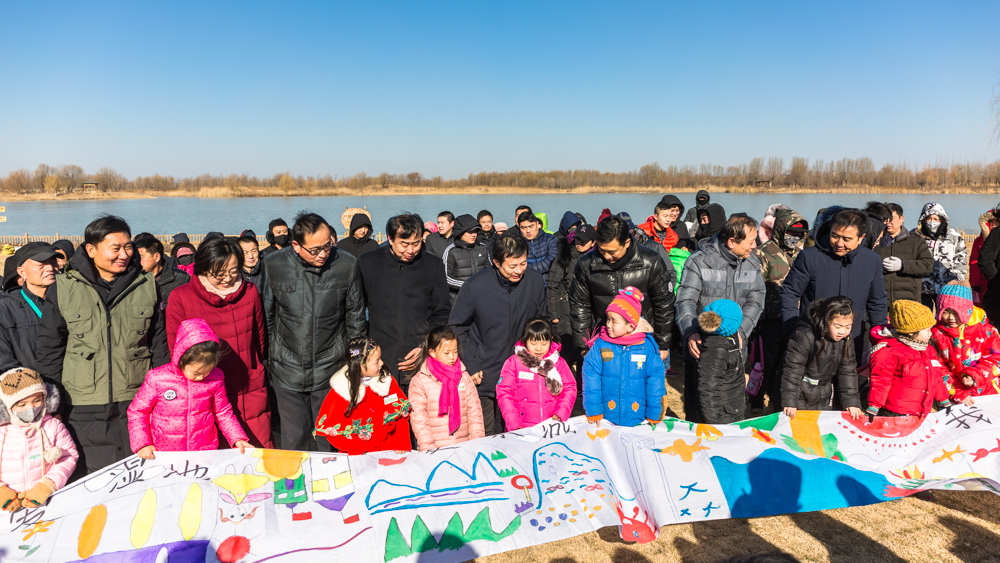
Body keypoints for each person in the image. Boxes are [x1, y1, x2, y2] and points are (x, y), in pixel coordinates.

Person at [36, 215, 169, 475]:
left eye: (128, 247)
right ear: (91, 249)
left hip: (137, 400)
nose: (124, 254)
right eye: (115, 248)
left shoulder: (146, 285)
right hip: (82, 403)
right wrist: (53, 404)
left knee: (140, 474)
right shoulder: (64, 287)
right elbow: (50, 349)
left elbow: (159, 345)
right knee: (90, 476)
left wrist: (164, 396)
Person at [264, 212, 366, 451]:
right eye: (315, 250)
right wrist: (271, 356)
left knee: (330, 437)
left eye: (327, 246)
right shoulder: (274, 264)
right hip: (287, 368)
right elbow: (267, 315)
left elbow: (355, 318)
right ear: (296, 245)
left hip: (331, 366)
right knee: (294, 438)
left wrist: (355, 361)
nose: (323, 254)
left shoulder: (346, 264)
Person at [167, 237, 272, 448]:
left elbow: (259, 338)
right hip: (204, 388)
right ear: (203, 268)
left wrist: (255, 368)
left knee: (256, 453)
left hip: (248, 387)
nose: (227, 279)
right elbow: (176, 351)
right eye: (219, 274)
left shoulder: (250, 292)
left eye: (233, 271)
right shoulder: (181, 297)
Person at [450, 234, 547, 435]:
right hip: (485, 372)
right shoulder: (475, 286)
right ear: (496, 262)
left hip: (523, 371)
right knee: (484, 434)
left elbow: (542, 322)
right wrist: (471, 364)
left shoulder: (535, 282)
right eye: (512, 266)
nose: (519, 270)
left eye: (523, 263)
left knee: (520, 432)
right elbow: (457, 326)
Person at [127, 319, 251, 459]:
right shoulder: (158, 378)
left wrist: (237, 438)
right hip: (164, 454)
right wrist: (143, 444)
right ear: (181, 359)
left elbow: (223, 412)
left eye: (207, 371)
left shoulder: (216, 377)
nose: (201, 377)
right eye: (196, 372)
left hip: (203, 453)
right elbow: (137, 412)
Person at [781, 208, 887, 356]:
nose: (839, 243)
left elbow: (877, 301)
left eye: (847, 239)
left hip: (853, 339)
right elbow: (790, 292)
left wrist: (880, 338)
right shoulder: (810, 257)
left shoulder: (871, 260)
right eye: (835, 236)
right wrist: (793, 330)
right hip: (813, 338)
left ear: (861, 237)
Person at [359, 214, 451, 381]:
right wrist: (363, 351)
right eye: (404, 244)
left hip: (419, 353)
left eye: (416, 244)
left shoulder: (433, 265)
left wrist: (426, 346)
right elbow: (356, 311)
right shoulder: (368, 263)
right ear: (390, 239)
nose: (410, 250)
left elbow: (442, 311)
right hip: (379, 355)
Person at [570, 216, 675, 361]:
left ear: (627, 242)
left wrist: (662, 344)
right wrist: (583, 346)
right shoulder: (585, 264)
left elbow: (663, 305)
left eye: (612, 251)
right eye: (602, 250)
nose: (607, 256)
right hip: (602, 339)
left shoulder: (651, 261)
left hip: (642, 340)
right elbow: (579, 306)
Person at [582, 287, 666, 427]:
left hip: (638, 415)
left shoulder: (646, 347)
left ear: (630, 326)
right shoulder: (601, 345)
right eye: (608, 319)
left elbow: (655, 380)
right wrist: (594, 409)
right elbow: (591, 376)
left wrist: (654, 412)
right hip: (608, 415)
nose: (608, 325)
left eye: (614, 321)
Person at [314, 336, 412, 454]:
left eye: (380, 359)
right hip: (357, 457)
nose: (382, 363)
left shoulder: (386, 382)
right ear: (360, 366)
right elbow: (333, 432)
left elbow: (401, 416)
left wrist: (401, 442)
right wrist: (356, 448)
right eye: (377, 361)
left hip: (388, 451)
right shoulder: (341, 391)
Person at [867, 300, 962, 419]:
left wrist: (943, 399)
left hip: (920, 411)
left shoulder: (928, 349)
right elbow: (881, 381)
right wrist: (874, 406)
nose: (931, 333)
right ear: (911, 332)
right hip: (895, 412)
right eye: (927, 330)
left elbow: (935, 376)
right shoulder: (890, 352)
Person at [0, 367, 78, 512]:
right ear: (5, 406)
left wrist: (48, 485)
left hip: (46, 503)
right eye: (22, 404)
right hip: (7, 509)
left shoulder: (53, 426)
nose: (31, 408)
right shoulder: (1, 432)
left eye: (37, 400)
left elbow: (68, 456)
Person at [752, 209, 808, 409]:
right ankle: (757, 401)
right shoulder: (762, 253)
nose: (795, 237)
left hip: (796, 318)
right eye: (791, 233)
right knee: (766, 364)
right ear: (780, 231)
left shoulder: (802, 254)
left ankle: (779, 401)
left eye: (799, 234)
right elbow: (755, 289)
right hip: (770, 320)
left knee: (789, 363)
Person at [779, 296, 863, 417]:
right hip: (799, 394)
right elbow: (793, 369)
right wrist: (790, 401)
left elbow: (847, 370)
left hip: (824, 395)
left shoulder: (845, 340)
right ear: (826, 321)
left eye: (848, 327)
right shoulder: (805, 336)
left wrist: (851, 402)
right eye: (837, 326)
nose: (842, 332)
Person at [408, 327, 485, 450]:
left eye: (455, 351)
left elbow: (475, 413)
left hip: (464, 448)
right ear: (432, 352)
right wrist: (430, 450)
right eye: (446, 353)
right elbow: (419, 420)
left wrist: (476, 445)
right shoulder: (420, 381)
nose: (452, 357)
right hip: (435, 451)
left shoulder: (464, 377)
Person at [497, 317, 577, 430]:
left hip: (551, 426)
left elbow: (569, 388)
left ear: (551, 340)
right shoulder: (514, 363)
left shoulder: (558, 362)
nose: (538, 349)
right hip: (522, 428)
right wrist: (514, 423)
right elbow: (504, 392)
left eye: (544, 343)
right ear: (525, 340)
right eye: (533, 343)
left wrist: (561, 412)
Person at [929, 284, 1000, 401]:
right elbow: (936, 366)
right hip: (955, 394)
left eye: (956, 313)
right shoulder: (936, 334)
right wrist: (958, 391)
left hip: (987, 391)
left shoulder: (987, 331)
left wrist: (976, 375)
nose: (951, 317)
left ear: (968, 311)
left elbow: (996, 359)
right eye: (946, 312)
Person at [0, 243, 58, 373]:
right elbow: (3, 361)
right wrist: (27, 382)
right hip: (30, 383)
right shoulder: (6, 308)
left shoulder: (70, 301)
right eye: (41, 264)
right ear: (22, 272)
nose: (50, 268)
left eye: (53, 262)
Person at [694, 299, 747, 424]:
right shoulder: (716, 351)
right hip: (723, 417)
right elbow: (709, 390)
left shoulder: (728, 342)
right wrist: (717, 425)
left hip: (732, 409)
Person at [874, 202, 934, 305]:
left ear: (901, 218)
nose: (888, 222)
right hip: (881, 300)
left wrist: (902, 265)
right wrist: (881, 266)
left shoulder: (916, 241)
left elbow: (927, 265)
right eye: (885, 219)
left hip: (909, 300)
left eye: (892, 218)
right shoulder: (875, 241)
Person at [548, 224, 594, 348]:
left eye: (584, 241)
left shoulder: (596, 259)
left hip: (588, 310)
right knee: (566, 347)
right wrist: (554, 313)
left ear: (593, 242)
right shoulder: (565, 255)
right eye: (578, 239)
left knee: (586, 346)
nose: (580, 243)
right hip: (565, 309)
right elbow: (552, 284)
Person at [916, 203, 968, 310]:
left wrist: (957, 279)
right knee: (922, 317)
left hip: (947, 286)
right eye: (929, 218)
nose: (932, 221)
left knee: (945, 316)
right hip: (921, 287)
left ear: (942, 219)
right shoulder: (914, 236)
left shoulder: (954, 236)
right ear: (923, 219)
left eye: (936, 219)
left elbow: (961, 257)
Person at [134, 234, 191, 307]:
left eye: (141, 257)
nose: (137, 261)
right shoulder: (134, 279)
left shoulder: (182, 278)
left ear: (156, 257)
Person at [443, 214, 489, 301]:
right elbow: (446, 278)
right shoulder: (451, 251)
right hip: (459, 299)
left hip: (481, 297)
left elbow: (490, 271)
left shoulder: (483, 248)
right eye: (470, 232)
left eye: (475, 231)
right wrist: (468, 285)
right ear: (460, 233)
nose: (473, 235)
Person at [970, 209, 999, 306]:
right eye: (991, 222)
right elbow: (974, 262)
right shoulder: (979, 241)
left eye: (997, 222)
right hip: (982, 280)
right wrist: (975, 284)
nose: (994, 224)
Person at [518, 212, 558, 279]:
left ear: (537, 224)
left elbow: (552, 260)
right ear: (519, 228)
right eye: (524, 228)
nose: (528, 231)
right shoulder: (515, 243)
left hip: (548, 281)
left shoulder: (549, 238)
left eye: (531, 226)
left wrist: (527, 270)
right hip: (525, 281)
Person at [237, 230, 268, 294]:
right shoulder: (234, 273)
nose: (251, 256)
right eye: (245, 252)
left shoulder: (268, 269)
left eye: (253, 251)